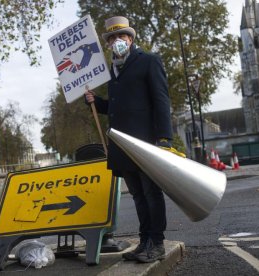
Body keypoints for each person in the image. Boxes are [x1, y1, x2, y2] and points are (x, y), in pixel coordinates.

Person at [84, 16, 173, 263]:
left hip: (146, 143)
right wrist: (95, 102)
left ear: (131, 39)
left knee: (151, 193)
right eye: (111, 38)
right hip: (123, 146)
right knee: (138, 196)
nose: (116, 41)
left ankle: (157, 243)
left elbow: (161, 100)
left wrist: (165, 137)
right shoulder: (112, 70)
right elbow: (117, 106)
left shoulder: (149, 61)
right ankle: (144, 241)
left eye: (120, 36)